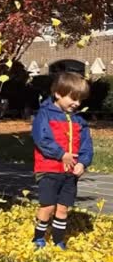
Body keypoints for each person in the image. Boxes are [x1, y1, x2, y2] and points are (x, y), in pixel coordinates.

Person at [31, 71, 93, 249]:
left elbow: (86, 145)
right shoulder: (44, 115)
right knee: (48, 206)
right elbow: (42, 139)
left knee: (63, 208)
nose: (77, 103)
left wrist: (82, 162)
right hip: (49, 169)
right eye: (73, 98)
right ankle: (39, 237)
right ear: (58, 93)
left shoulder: (79, 121)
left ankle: (58, 239)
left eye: (80, 100)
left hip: (69, 173)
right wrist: (61, 154)